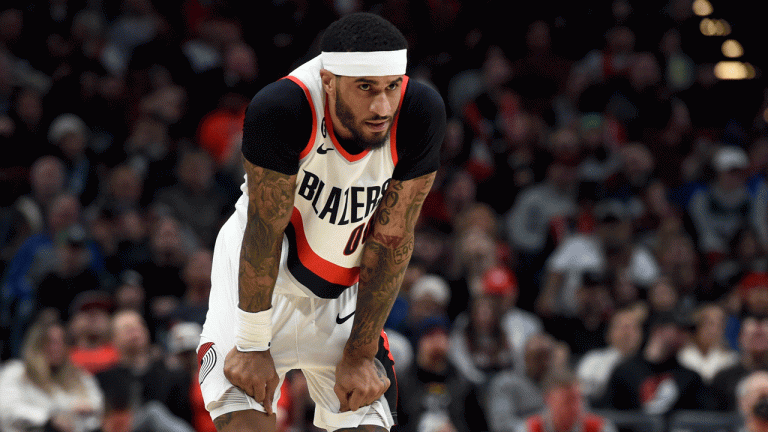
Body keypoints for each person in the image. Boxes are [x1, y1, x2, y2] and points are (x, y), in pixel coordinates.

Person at [197, 11, 445, 432]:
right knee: (245, 424)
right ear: (329, 81)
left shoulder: (419, 113)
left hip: (342, 289)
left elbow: (393, 240)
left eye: (390, 88)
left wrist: (361, 353)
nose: (381, 106)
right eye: (365, 88)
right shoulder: (283, 107)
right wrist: (253, 341)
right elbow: (264, 227)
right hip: (258, 281)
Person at [0, 311, 104, 432]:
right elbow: (6, 410)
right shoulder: (16, 371)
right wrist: (49, 418)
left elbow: (97, 406)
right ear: (37, 344)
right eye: (51, 342)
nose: (57, 348)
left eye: (61, 342)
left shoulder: (77, 375)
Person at [518, 368, 617, 432]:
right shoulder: (529, 429)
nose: (575, 407)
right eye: (567, 401)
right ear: (548, 399)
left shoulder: (600, 428)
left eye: (578, 399)